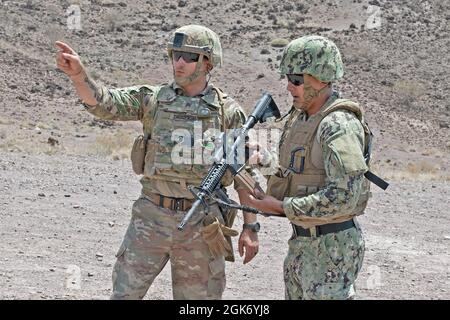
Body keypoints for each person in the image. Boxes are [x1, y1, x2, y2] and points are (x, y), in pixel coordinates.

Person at [55, 24, 259, 300]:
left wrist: (250, 228)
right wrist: (79, 76)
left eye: (189, 56)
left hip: (201, 225)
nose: (179, 62)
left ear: (208, 61)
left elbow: (242, 174)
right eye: (176, 54)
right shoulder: (153, 99)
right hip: (150, 218)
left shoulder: (227, 112)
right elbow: (104, 103)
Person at [245, 35, 373, 300]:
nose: (289, 87)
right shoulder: (300, 119)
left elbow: (344, 197)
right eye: (288, 78)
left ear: (321, 78)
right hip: (302, 244)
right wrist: (263, 160)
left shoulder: (338, 125)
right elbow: (298, 175)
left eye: (296, 79)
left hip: (332, 249)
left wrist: (281, 208)